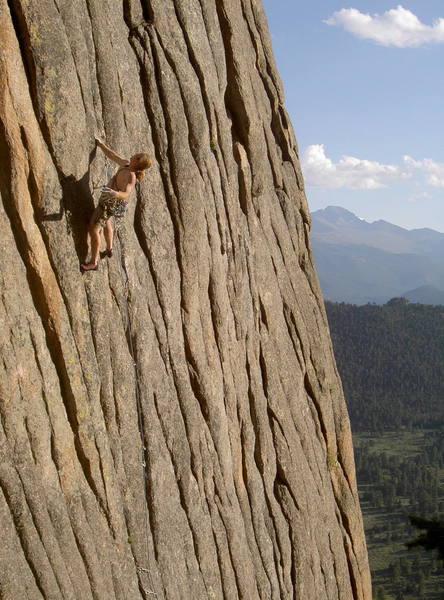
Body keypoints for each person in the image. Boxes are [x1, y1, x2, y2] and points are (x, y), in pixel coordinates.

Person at [81, 138, 153, 271]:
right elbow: (112, 155)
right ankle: (109, 248)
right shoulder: (126, 164)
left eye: (136, 156)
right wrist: (101, 145)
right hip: (112, 201)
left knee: (94, 229)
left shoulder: (131, 176)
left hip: (111, 202)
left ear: (137, 163)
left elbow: (126, 193)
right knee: (107, 221)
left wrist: (114, 193)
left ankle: (93, 262)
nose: (133, 155)